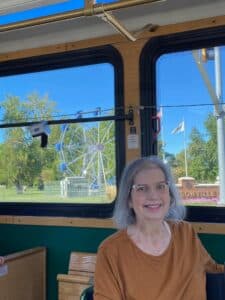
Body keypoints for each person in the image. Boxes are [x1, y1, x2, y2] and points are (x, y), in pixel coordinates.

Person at [94, 156, 224, 300]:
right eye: (142, 188)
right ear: (129, 199)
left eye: (160, 186)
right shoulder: (110, 251)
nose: (153, 196)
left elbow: (214, 270)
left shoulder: (186, 233)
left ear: (170, 193)